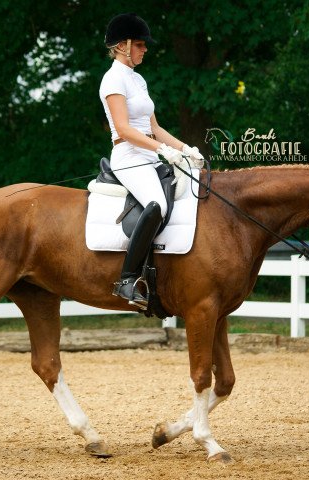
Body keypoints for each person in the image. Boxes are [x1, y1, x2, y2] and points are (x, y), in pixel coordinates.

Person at [99, 12, 205, 310]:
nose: (145, 49)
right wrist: (162, 150)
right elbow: (124, 129)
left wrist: (185, 149)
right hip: (128, 155)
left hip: (149, 152)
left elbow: (154, 127)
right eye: (141, 45)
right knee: (156, 203)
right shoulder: (112, 80)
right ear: (123, 45)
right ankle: (128, 279)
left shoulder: (138, 79)